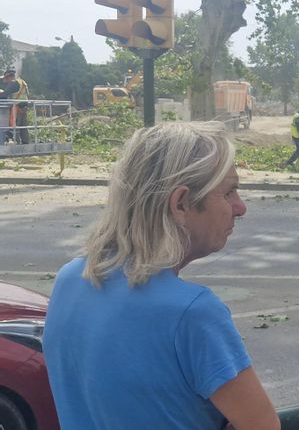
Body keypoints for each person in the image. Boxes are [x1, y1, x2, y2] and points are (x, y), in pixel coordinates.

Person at [42, 122, 280, 430]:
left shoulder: (70, 279)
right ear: (181, 203)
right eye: (229, 191)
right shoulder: (192, 312)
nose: (240, 207)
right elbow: (263, 426)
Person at [0, 67, 30, 144]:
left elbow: (4, 94)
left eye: (6, 79)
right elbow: (27, 95)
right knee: (23, 128)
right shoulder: (22, 82)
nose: (6, 81)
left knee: (15, 127)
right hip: (25, 107)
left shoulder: (13, 83)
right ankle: (26, 144)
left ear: (9, 76)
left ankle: (16, 145)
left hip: (17, 108)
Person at [282, 102, 299, 169]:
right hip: (298, 136)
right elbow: (298, 128)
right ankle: (289, 161)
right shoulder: (298, 117)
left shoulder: (298, 115)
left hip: (298, 136)